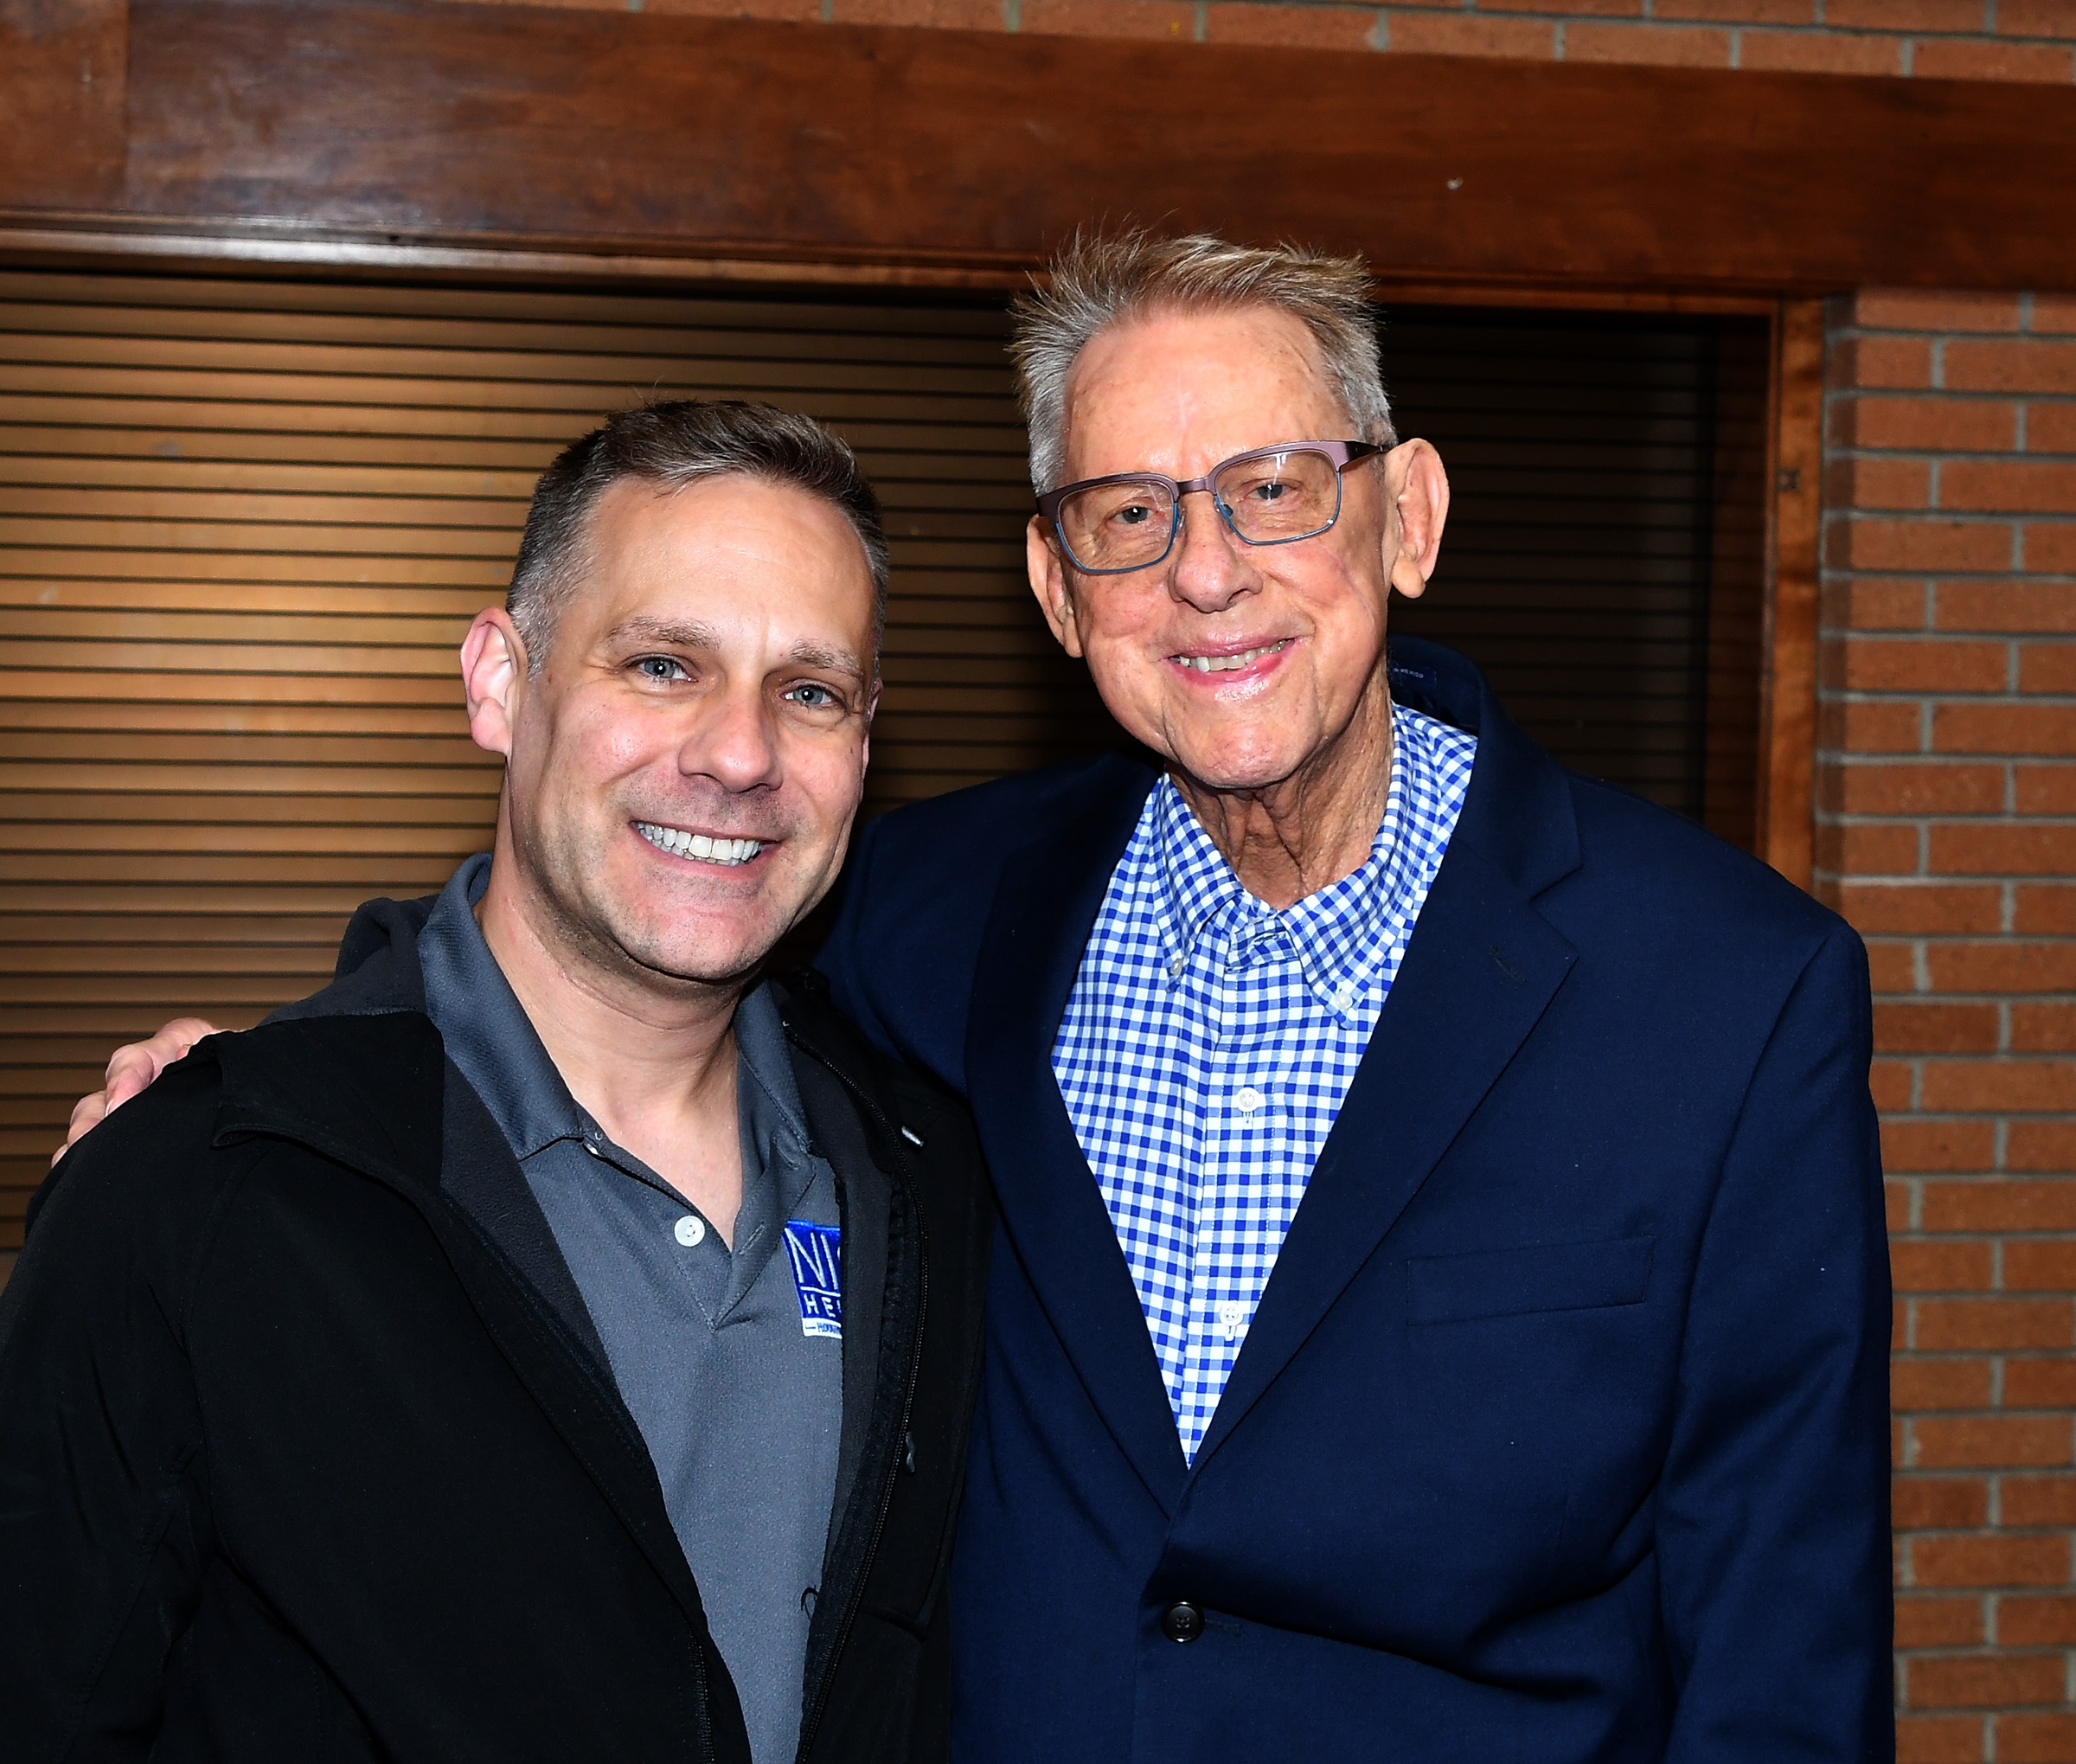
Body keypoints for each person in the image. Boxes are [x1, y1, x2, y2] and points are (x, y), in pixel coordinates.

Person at [58, 233, 1893, 1763]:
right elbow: (623, 906)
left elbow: (1784, 1662)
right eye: (1126, 513)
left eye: (1275, 488)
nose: (1205, 569)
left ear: (1403, 514)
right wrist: (316, 1055)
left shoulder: (1728, 996)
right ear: (1052, 580)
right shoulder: (931, 915)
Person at [2, 401, 991, 1764]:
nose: (743, 754)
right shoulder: (205, 1185)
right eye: (661, 665)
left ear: (864, 748)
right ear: (500, 683)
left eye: (809, 692)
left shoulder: (924, 1178)